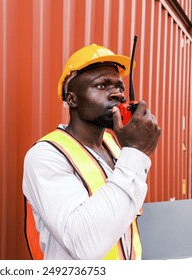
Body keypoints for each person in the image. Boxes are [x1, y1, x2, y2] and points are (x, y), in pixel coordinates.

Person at [23, 43, 161, 260]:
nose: (117, 94)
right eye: (102, 86)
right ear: (72, 99)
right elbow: (83, 245)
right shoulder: (46, 156)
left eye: (120, 87)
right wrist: (136, 152)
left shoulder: (114, 145)